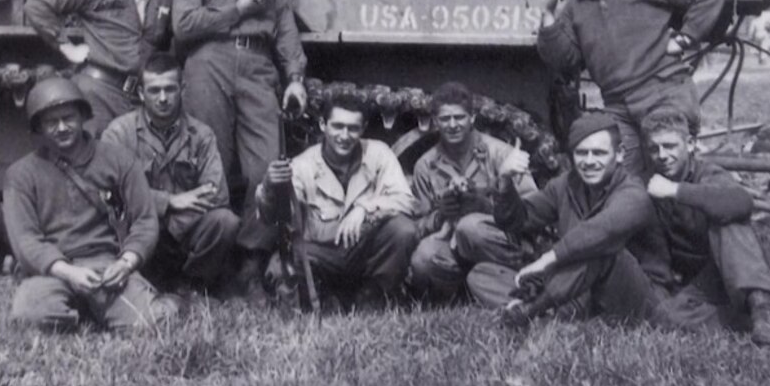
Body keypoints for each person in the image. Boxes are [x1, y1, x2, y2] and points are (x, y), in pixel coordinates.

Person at [173, 0, 307, 296]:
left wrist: (295, 77)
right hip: (206, 66)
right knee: (211, 164)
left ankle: (251, 262)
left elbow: (284, 26)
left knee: (264, 166)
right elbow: (183, 26)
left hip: (257, 67)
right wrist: (238, 8)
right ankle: (213, 264)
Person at [536, 0, 726, 181]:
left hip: (663, 94)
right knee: (620, 181)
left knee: (672, 173)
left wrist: (686, 37)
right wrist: (547, 14)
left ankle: (699, 215)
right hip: (617, 107)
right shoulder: (577, 5)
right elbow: (563, 60)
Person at [2, 77, 179, 331]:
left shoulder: (118, 159)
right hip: (53, 271)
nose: (62, 127)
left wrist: (126, 263)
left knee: (153, 323)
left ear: (83, 116)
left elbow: (145, 220)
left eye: (69, 118)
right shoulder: (21, 174)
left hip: (107, 266)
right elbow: (26, 240)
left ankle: (147, 304)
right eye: (51, 122)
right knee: (30, 316)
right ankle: (86, 311)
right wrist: (67, 272)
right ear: (38, 127)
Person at [467, 112, 671, 327]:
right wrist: (505, 180)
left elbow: (601, 231)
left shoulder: (634, 192)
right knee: (480, 274)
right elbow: (517, 220)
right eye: (581, 153)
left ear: (619, 154)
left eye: (599, 153)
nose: (589, 161)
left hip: (636, 295)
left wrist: (547, 261)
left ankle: (532, 311)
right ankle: (555, 312)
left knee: (600, 248)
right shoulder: (565, 185)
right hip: (577, 286)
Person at [255, 94, 418, 309]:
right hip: (321, 254)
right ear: (323, 125)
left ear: (363, 128)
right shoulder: (303, 165)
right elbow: (273, 217)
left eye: (353, 128)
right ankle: (330, 298)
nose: (345, 135)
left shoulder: (379, 154)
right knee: (281, 269)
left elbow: (406, 201)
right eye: (338, 126)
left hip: (364, 252)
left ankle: (373, 295)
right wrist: (269, 187)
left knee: (403, 230)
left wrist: (364, 208)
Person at [641, 108, 770, 347]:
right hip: (705, 281)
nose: (662, 155)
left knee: (727, 220)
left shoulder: (706, 173)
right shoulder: (653, 186)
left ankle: (762, 309)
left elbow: (741, 203)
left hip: (748, 271)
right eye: (654, 149)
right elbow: (657, 258)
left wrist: (676, 191)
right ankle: (764, 322)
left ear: (690, 144)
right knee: (664, 318)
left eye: (670, 146)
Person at [102, 53, 240, 296]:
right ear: (142, 94)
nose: (163, 98)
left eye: (170, 89)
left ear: (182, 90)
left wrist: (167, 221)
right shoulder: (120, 133)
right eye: (154, 91)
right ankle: (142, 280)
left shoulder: (202, 135)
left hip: (183, 235)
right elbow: (109, 191)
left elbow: (217, 195)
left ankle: (192, 285)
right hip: (138, 232)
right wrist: (169, 202)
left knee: (224, 221)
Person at [24, 0, 173, 135]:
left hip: (139, 98)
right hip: (98, 93)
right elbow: (37, 6)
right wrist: (67, 47)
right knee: (95, 159)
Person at [409, 82, 539, 301]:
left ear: (472, 118)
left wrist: (487, 206)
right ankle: (466, 292)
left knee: (469, 228)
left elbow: (534, 210)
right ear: (435, 122)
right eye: (444, 119)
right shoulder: (426, 165)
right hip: (452, 244)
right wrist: (441, 215)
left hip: (500, 241)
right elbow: (416, 225)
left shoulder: (499, 153)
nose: (452, 125)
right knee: (423, 258)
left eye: (459, 117)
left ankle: (526, 276)